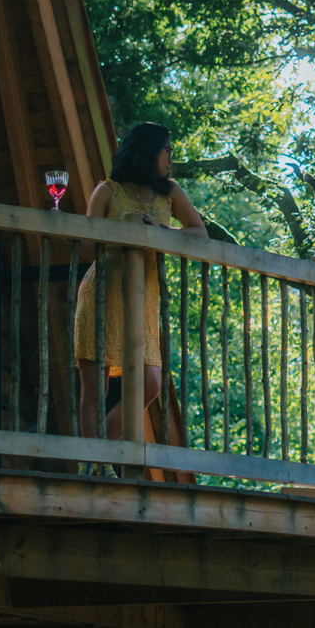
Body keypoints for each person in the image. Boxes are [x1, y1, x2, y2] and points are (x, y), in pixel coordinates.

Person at [74, 123, 207, 442]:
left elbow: (199, 234)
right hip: (102, 293)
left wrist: (161, 232)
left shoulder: (170, 191)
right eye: (168, 152)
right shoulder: (107, 190)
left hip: (144, 300)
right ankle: (94, 465)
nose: (171, 160)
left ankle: (101, 451)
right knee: (96, 385)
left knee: (151, 382)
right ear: (149, 151)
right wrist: (124, 234)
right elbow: (88, 248)